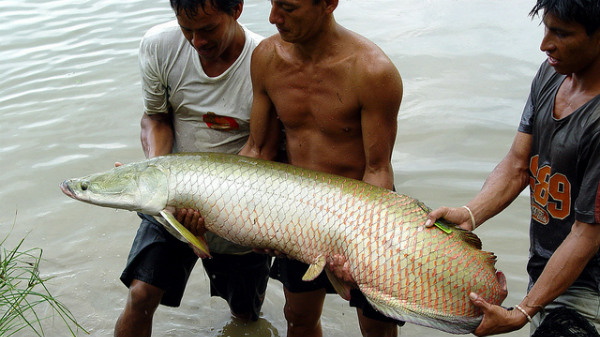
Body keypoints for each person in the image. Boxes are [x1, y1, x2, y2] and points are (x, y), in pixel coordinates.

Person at [424, 0, 600, 336]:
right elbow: (518, 165)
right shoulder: (551, 73)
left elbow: (586, 235)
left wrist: (522, 310)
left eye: (561, 33)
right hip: (546, 269)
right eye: (546, 27)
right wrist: (469, 214)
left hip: (589, 292)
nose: (545, 44)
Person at [238, 0, 403, 336]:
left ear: (328, 4)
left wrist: (361, 244)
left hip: (361, 213)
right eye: (272, 4)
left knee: (377, 329)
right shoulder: (267, 58)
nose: (273, 18)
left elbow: (378, 170)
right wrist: (248, 217)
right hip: (295, 212)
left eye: (288, 8)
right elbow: (260, 150)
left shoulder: (372, 71)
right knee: (298, 317)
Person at [113, 1, 272, 336]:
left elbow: (262, 150)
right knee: (141, 295)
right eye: (187, 29)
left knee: (244, 315)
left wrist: (210, 203)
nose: (197, 41)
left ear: (237, 9)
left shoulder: (266, 61)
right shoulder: (160, 45)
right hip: (168, 201)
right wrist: (158, 176)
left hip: (240, 206)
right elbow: (156, 119)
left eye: (209, 29)